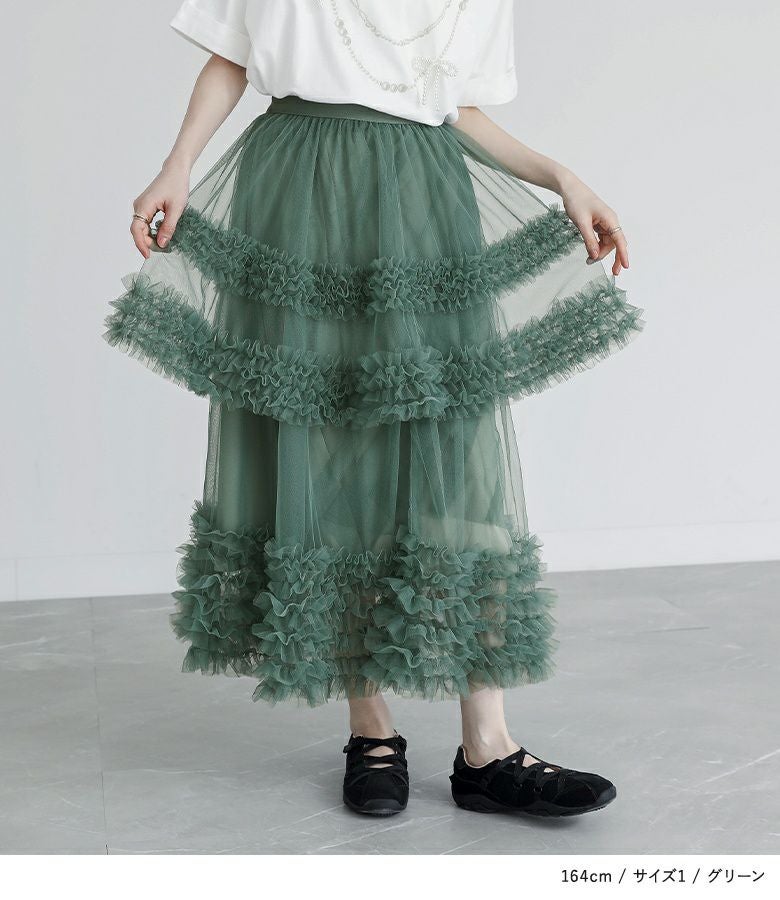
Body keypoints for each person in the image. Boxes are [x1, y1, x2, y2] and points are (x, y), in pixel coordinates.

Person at [105, 0, 643, 819]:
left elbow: (451, 106)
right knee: (326, 441)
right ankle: (370, 727)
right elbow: (231, 56)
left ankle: (488, 747)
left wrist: (561, 176)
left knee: (456, 447)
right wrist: (177, 165)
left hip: (425, 195)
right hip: (300, 190)